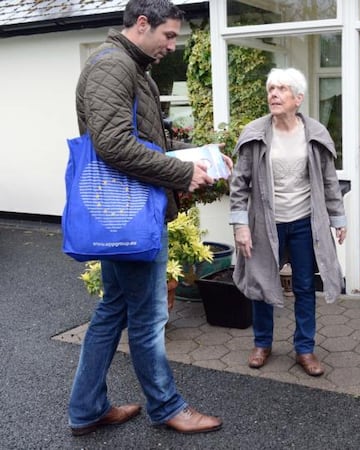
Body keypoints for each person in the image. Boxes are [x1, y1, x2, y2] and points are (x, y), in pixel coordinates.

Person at [69, 0, 227, 436]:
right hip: (131, 216)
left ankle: (86, 408)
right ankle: (167, 407)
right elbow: (115, 145)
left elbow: (135, 140)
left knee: (114, 309)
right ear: (143, 24)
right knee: (148, 316)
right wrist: (181, 171)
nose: (173, 45)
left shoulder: (129, 68)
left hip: (127, 212)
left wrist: (197, 157)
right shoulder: (113, 67)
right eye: (169, 35)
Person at [229, 67, 346, 377]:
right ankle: (262, 343)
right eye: (271, 89)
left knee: (306, 286)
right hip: (266, 225)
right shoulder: (254, 134)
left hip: (305, 222)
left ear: (298, 98)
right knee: (262, 282)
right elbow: (239, 183)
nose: (274, 94)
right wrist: (240, 225)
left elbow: (330, 181)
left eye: (282, 89)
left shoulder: (315, 134)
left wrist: (338, 218)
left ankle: (305, 349)